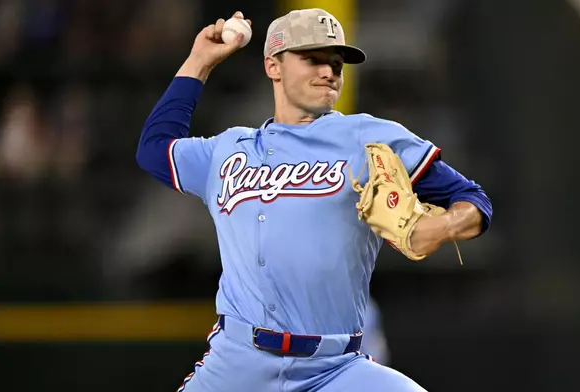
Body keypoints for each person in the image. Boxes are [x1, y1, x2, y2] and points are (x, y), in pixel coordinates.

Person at [136, 8, 492, 392]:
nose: (328, 72)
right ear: (273, 66)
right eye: (313, 59)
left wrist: (440, 226)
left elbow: (473, 200)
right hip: (238, 363)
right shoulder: (226, 151)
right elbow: (154, 149)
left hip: (336, 368)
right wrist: (200, 61)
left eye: (336, 64)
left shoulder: (369, 138)